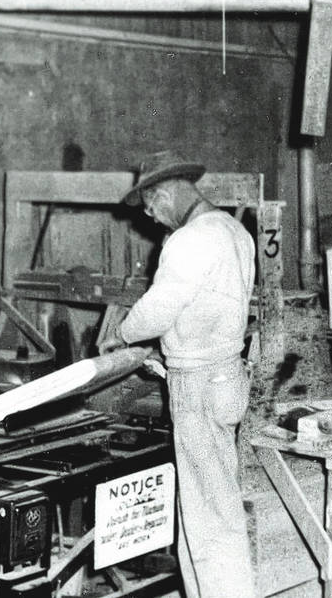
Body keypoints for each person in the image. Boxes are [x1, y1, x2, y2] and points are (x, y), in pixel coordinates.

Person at [104, 150, 257, 598]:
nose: (151, 218)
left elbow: (159, 309)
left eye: (150, 207)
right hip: (227, 375)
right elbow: (204, 307)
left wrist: (122, 333)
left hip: (199, 384)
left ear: (165, 192)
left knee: (208, 514)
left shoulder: (189, 240)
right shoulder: (234, 230)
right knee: (212, 503)